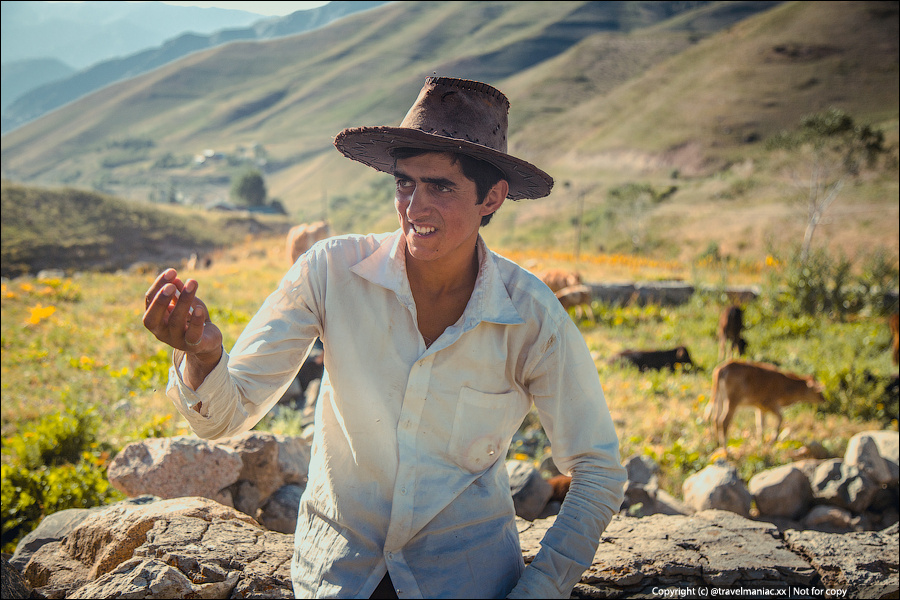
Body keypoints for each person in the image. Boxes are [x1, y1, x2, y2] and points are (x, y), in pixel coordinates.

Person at [142, 76, 626, 599]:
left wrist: (539, 590)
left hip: (466, 579)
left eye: (440, 186)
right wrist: (203, 354)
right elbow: (227, 415)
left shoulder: (532, 316)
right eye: (404, 183)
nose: (414, 207)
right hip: (338, 576)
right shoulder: (329, 272)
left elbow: (597, 471)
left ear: (493, 197)